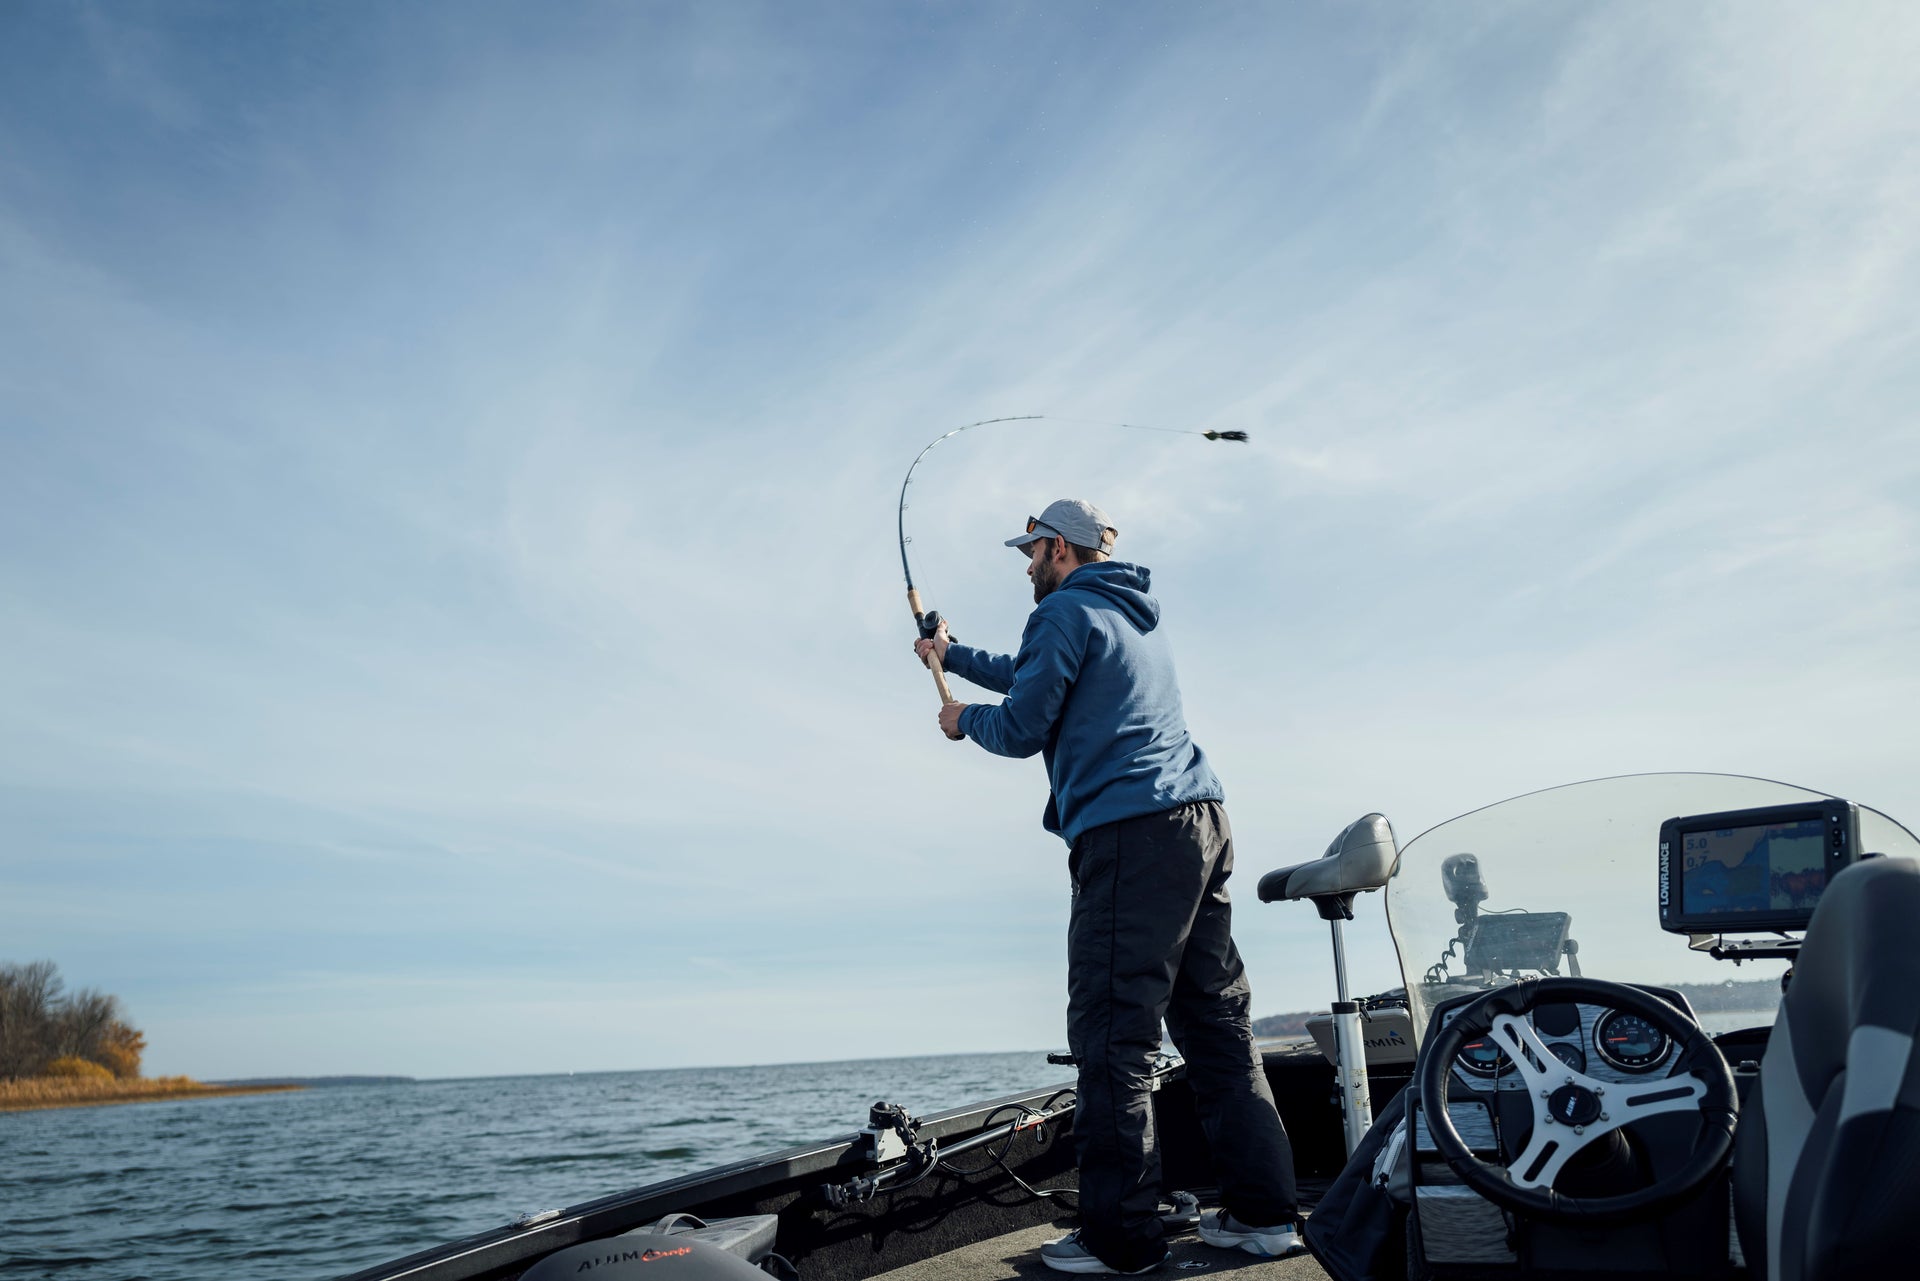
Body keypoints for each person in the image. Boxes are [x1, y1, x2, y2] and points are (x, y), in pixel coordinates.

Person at [913, 499, 1302, 1275]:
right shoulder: (1128, 612)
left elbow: (1023, 724)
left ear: (1059, 547)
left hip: (1130, 836)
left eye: (1032, 552)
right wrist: (949, 654)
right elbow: (1034, 673)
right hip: (1201, 823)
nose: (1026, 566)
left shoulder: (1060, 611)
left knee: (1112, 1039)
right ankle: (1264, 1218)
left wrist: (962, 722)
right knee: (1217, 1028)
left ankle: (1120, 1239)